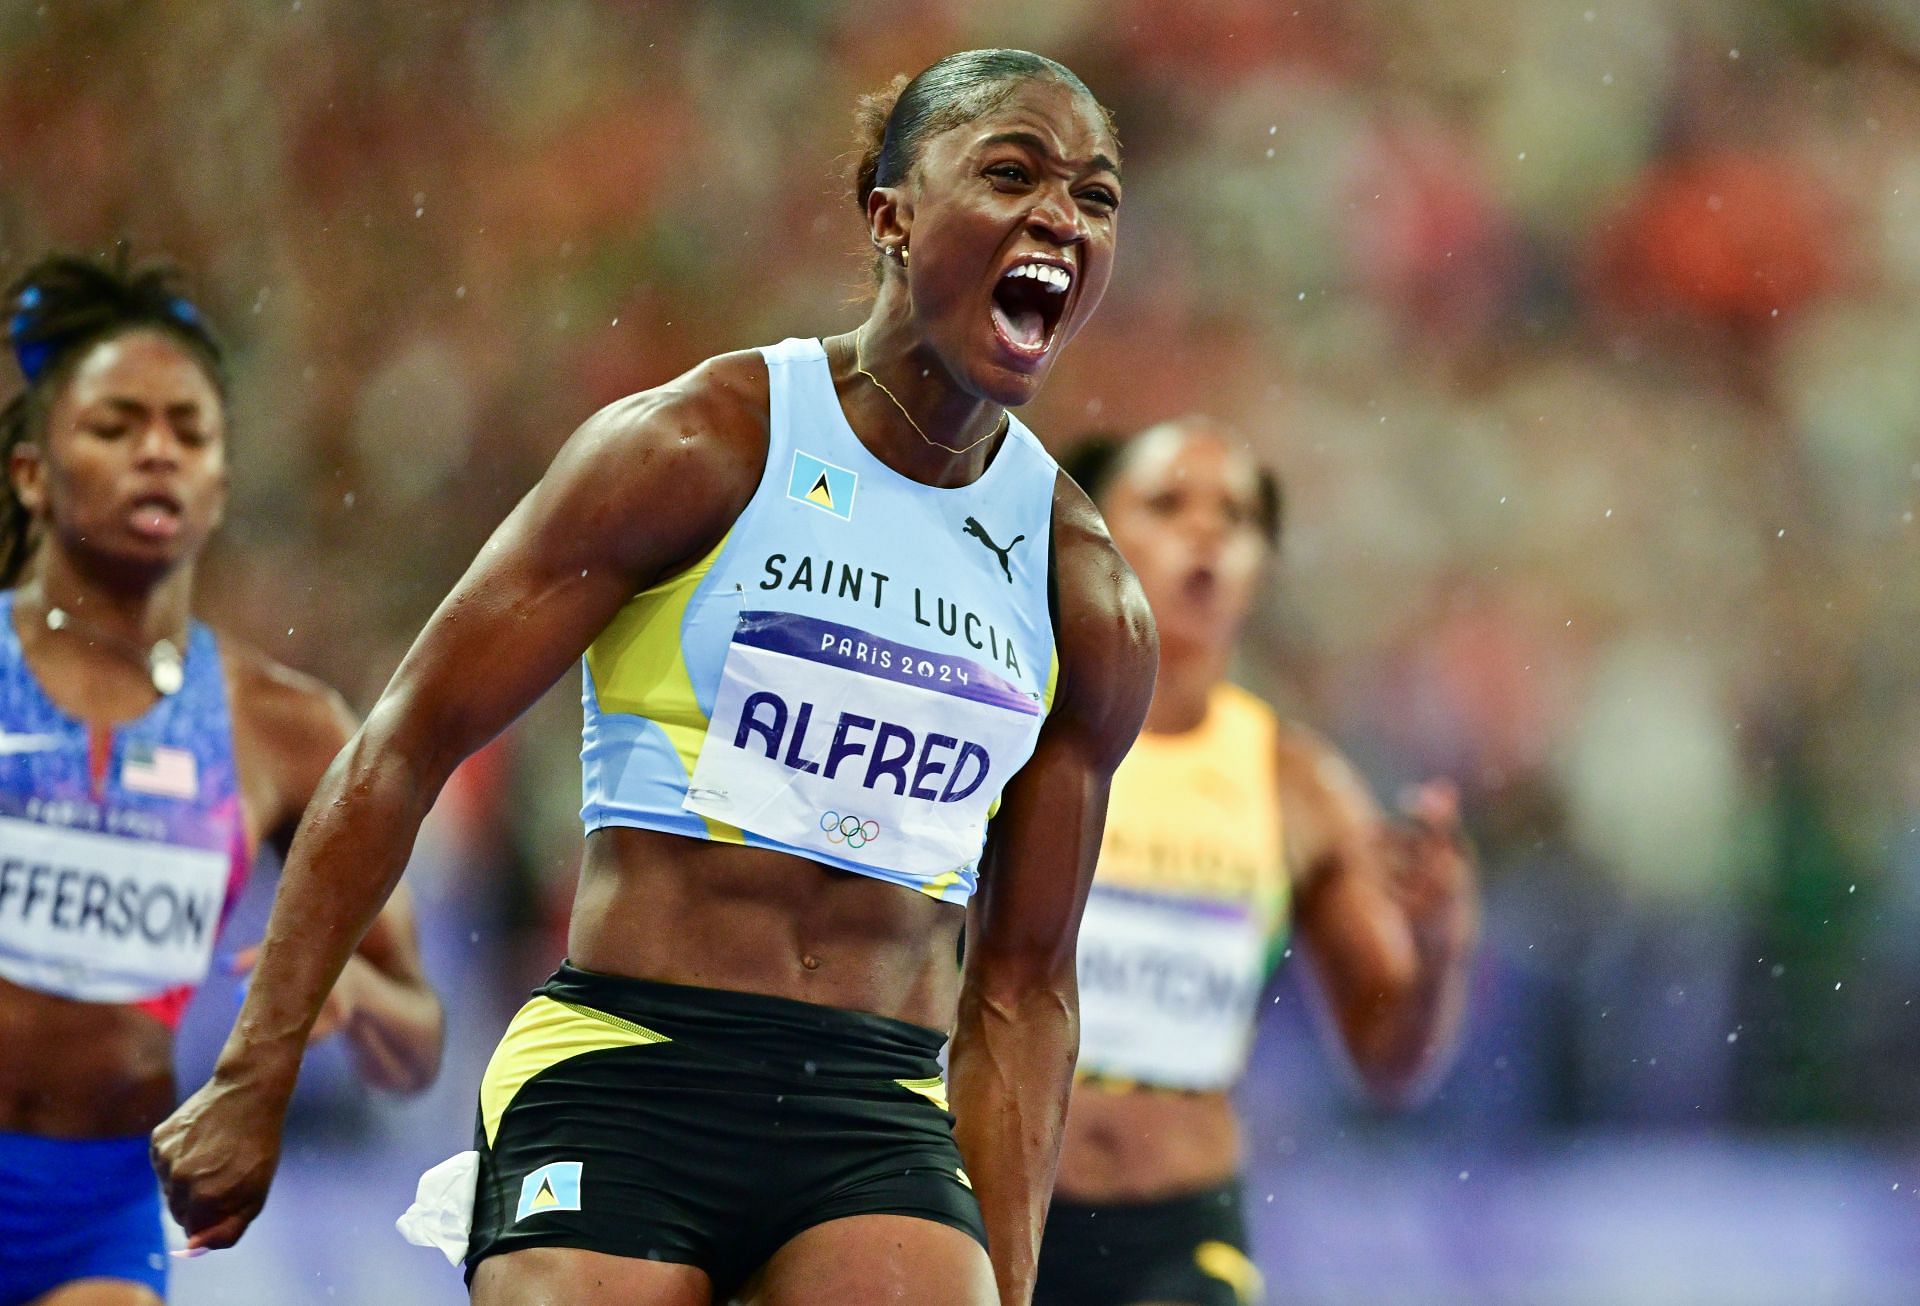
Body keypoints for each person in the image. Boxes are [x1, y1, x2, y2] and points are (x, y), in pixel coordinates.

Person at [151, 48, 1158, 1306]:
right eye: (1013, 172)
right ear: (889, 212)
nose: (1061, 215)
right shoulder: (700, 446)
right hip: (631, 1065)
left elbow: (1020, 990)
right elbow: (404, 741)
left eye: (1098, 196)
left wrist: (1007, 1287)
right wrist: (256, 1075)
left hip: (873, 1109)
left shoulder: (1085, 592)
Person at [0, 251, 446, 1306]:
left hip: (98, 1211)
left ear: (220, 481)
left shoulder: (286, 730)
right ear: (31, 470)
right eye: (115, 428)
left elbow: (418, 1045)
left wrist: (350, 999)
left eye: (188, 433)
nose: (157, 453)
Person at [1034, 419, 1479, 1306]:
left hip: (1179, 1234)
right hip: (991, 1202)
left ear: (1263, 567)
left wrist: (1439, 944)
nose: (1205, 532)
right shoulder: (1014, 731)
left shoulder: (1298, 787)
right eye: (1166, 504)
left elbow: (1389, 1064)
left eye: (1234, 516)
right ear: (1090, 541)